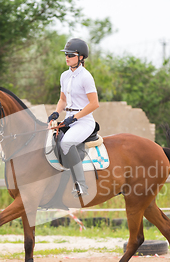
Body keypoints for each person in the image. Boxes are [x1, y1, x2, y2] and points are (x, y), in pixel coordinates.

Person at [47, 38, 100, 197]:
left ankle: (81, 185)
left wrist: (75, 118)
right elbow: (63, 100)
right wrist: (56, 113)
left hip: (83, 121)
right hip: (69, 118)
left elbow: (94, 103)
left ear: (81, 57)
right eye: (66, 54)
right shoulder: (64, 76)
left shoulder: (86, 77)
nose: (67, 57)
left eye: (71, 55)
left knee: (67, 143)